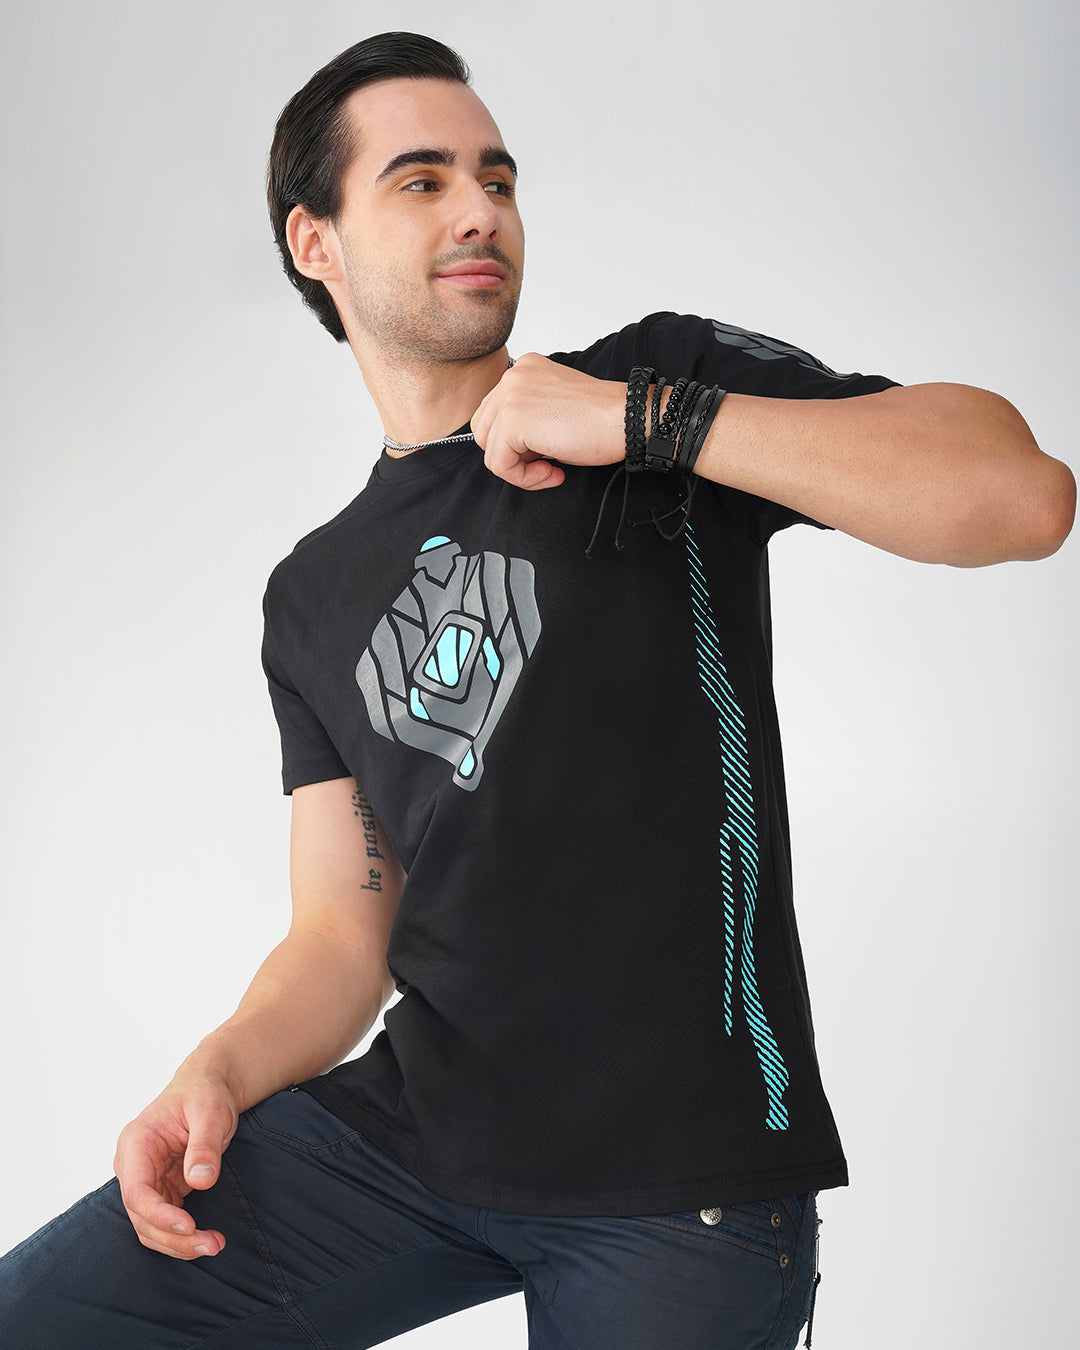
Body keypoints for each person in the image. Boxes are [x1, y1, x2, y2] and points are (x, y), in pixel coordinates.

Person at [0, 29, 1073, 1350]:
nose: (480, 210)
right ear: (315, 242)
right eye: (422, 179)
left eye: (497, 178)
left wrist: (641, 421)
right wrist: (211, 1069)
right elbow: (341, 935)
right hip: (411, 1140)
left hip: (682, 1185)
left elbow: (1018, 493)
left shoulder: (653, 383)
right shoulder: (312, 592)